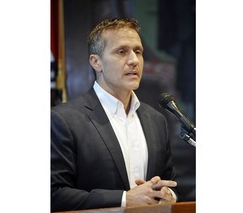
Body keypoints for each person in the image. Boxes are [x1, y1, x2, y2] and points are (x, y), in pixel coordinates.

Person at [51, 17, 179, 211]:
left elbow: (169, 180)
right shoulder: (64, 120)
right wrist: (124, 199)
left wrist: (168, 194)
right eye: (121, 52)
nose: (134, 60)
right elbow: (54, 194)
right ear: (96, 62)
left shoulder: (156, 120)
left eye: (138, 51)